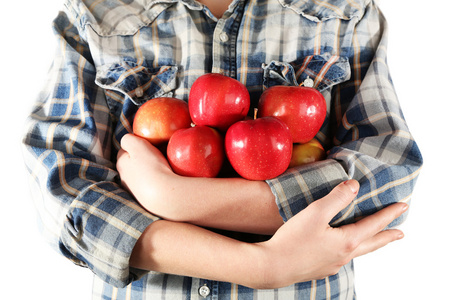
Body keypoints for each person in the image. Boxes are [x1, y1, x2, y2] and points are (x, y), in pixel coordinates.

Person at [22, 0, 423, 299]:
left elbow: (388, 173)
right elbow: (61, 190)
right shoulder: (96, 14)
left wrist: (176, 198)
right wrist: (261, 265)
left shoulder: (345, 12)